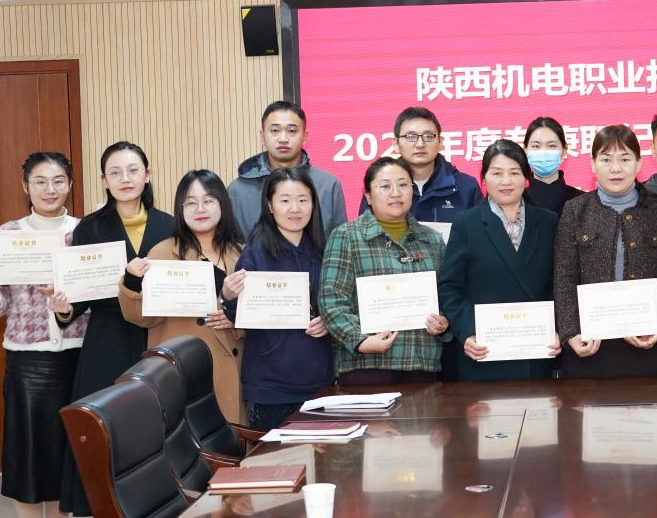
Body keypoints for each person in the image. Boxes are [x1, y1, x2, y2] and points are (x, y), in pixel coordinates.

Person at [0, 152, 90, 518]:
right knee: (28, 453)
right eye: (40, 181)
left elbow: (97, 295)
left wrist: (71, 301)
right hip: (28, 360)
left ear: (70, 184)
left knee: (65, 456)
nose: (50, 189)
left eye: (58, 181)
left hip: (77, 356)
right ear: (26, 187)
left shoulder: (84, 232)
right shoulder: (8, 235)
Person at [57, 141, 173, 518]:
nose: (125, 179)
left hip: (158, 336)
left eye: (133, 170)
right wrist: (63, 308)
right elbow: (79, 299)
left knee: (158, 433)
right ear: (104, 181)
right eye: (115, 172)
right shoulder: (90, 227)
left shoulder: (170, 225)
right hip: (107, 342)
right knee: (107, 437)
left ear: (147, 175)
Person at [554, 125, 657, 378]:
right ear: (593, 164)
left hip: (646, 346)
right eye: (606, 159)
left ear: (638, 163)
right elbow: (564, 278)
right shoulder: (575, 210)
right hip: (589, 346)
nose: (615, 168)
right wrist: (571, 332)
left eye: (625, 159)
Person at [119, 170, 246, 423]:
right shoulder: (163, 253)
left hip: (232, 370)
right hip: (183, 371)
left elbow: (259, 317)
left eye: (208, 200)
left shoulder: (241, 253)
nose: (200, 209)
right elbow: (141, 318)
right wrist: (132, 282)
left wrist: (235, 320)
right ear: (180, 208)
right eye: (190, 202)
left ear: (222, 204)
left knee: (232, 438)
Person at [438, 140, 561, 381]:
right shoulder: (466, 223)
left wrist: (559, 330)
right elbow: (450, 288)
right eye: (496, 173)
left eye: (514, 173)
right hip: (483, 352)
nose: (506, 181)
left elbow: (559, 284)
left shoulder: (548, 221)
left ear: (526, 178)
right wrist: (467, 332)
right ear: (484, 179)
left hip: (536, 352)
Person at [322, 157, 451, 385]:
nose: (396, 193)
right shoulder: (346, 236)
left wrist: (443, 323)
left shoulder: (432, 240)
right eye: (385, 186)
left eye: (403, 185)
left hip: (422, 365)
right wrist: (360, 340)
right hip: (366, 366)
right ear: (368, 195)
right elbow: (332, 300)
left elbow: (448, 296)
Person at [221, 167, 332, 431]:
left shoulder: (325, 250)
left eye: (303, 200)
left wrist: (329, 321)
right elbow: (238, 317)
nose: (295, 208)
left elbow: (339, 302)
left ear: (313, 204)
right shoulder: (254, 253)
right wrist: (228, 296)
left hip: (321, 381)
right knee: (277, 458)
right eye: (285, 200)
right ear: (270, 206)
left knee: (326, 457)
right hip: (269, 387)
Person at [227, 100, 347, 239]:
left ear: (305, 137)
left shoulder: (329, 185)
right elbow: (229, 245)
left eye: (292, 131)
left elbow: (341, 243)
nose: (283, 139)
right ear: (262, 136)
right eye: (275, 131)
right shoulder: (238, 190)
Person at [359, 106, 480, 222]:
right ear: (395, 144)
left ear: (440, 142)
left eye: (428, 136)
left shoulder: (466, 187)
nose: (420, 144)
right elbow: (363, 232)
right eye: (410, 136)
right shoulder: (379, 186)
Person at [523, 116, 583, 215]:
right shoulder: (516, 200)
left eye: (551, 146)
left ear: (564, 151)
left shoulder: (583, 201)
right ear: (526, 151)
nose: (544, 152)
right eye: (536, 146)